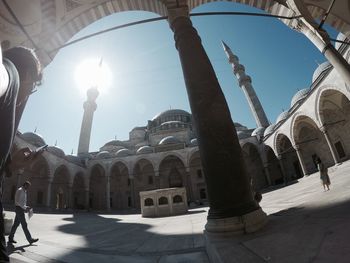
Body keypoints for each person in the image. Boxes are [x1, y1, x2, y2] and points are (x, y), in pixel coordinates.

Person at [0, 45, 42, 261]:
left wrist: (10, 165)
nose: (26, 97)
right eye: (32, 88)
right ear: (26, 75)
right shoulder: (10, 74)